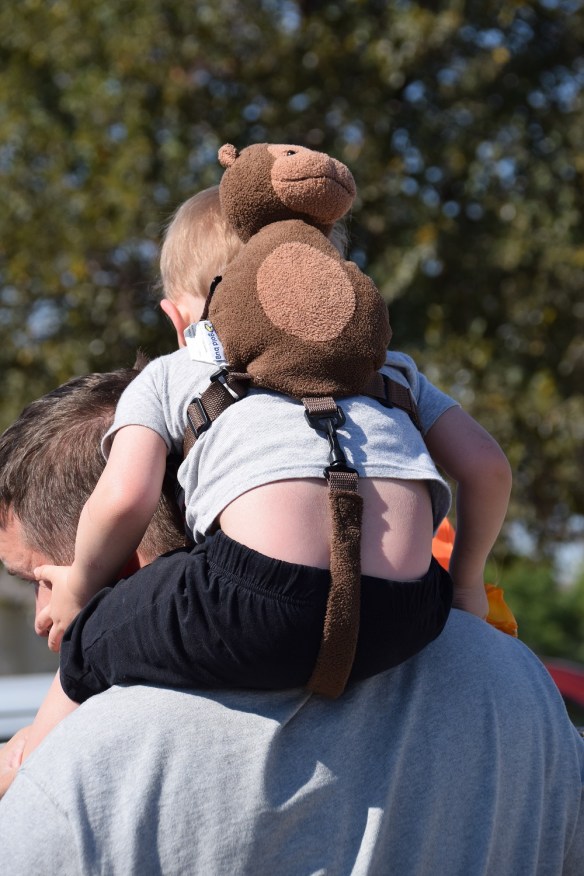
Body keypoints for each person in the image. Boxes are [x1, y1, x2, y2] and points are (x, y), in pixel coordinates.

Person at [20, 176, 511, 762]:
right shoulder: (393, 373)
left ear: (177, 318)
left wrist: (80, 588)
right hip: (409, 613)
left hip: (254, 601)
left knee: (101, 631)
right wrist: (464, 586)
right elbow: (488, 469)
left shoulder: (176, 371)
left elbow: (126, 497)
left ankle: (27, 756)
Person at [0, 381, 582, 872]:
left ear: (120, 561)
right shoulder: (519, 688)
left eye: (37, 580)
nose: (39, 617)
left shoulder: (75, 778)